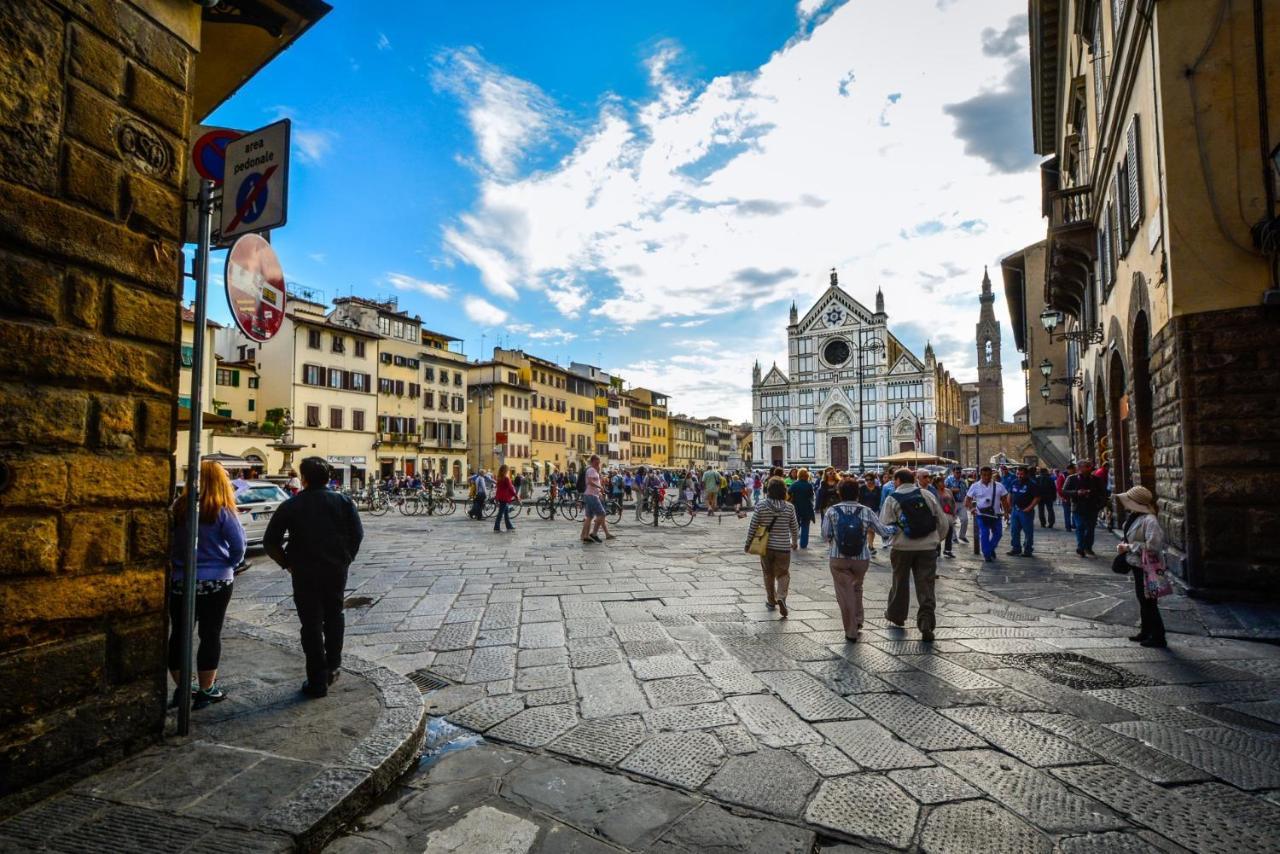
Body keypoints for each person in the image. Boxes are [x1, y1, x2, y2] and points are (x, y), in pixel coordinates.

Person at [263, 457, 364, 698]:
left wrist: (287, 563)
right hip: (335, 570)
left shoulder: (292, 505)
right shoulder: (343, 501)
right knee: (334, 616)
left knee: (310, 624)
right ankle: (333, 666)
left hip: (304, 571)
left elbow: (270, 542)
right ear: (328, 478)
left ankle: (317, 679)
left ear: (304, 479)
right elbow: (357, 534)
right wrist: (346, 558)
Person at [168, 460, 245, 710]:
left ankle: (182, 687)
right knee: (210, 634)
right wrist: (226, 566)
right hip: (216, 582)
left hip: (182, 581)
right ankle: (206, 689)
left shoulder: (179, 508)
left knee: (179, 633)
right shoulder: (221, 510)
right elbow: (238, 548)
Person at [822, 477, 896, 641]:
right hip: (861, 558)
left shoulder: (832, 511)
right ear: (857, 493)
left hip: (838, 558)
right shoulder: (866, 511)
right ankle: (858, 620)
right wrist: (897, 527)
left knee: (844, 592)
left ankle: (851, 630)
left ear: (839, 492)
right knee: (857, 587)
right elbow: (883, 531)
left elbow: (825, 535)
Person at [880, 468, 950, 642]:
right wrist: (935, 540)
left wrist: (895, 536)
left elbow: (884, 526)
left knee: (900, 582)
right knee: (926, 584)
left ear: (897, 481)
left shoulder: (892, 498)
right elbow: (943, 522)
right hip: (927, 548)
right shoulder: (927, 495)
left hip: (902, 548)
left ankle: (896, 616)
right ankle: (926, 622)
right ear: (913, 480)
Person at [1115, 485, 1167, 648]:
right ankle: (1146, 631)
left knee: (1149, 601)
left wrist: (1129, 547)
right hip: (1138, 565)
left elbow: (1154, 546)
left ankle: (1158, 637)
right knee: (1143, 599)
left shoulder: (1149, 520)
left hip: (1149, 567)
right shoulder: (1135, 516)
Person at [745, 478, 799, 617]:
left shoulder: (761, 506)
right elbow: (794, 526)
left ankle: (771, 600)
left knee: (768, 574)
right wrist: (794, 541)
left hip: (766, 546)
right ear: (784, 491)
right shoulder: (789, 507)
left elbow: (753, 526)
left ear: (768, 490)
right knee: (783, 574)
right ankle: (781, 596)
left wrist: (748, 543)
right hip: (783, 547)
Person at [965, 466, 1010, 562]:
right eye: (984, 475)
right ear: (981, 475)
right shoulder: (975, 486)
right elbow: (967, 500)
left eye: (988, 475)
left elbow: (1004, 500)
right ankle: (987, 555)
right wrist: (972, 508)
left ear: (991, 475)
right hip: (981, 515)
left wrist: (1006, 512)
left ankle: (990, 549)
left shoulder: (999, 486)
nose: (986, 477)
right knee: (984, 533)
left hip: (996, 514)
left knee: (998, 534)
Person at [1063, 459, 1103, 557]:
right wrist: (1077, 493)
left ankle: (1088, 547)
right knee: (1080, 526)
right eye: (1087, 466)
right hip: (1078, 507)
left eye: (1090, 466)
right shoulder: (1071, 478)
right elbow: (1064, 491)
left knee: (1090, 529)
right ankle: (1081, 547)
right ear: (1080, 468)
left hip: (1092, 507)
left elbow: (1103, 493)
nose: (1090, 468)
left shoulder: (1096, 479)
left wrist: (1100, 504)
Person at [1006, 466, 1040, 557]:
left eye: (1021, 474)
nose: (1019, 476)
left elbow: (1037, 497)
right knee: (1014, 530)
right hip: (1015, 510)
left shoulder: (1032, 484)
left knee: (1028, 531)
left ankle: (1028, 550)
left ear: (1026, 474)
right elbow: (1010, 494)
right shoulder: (1014, 482)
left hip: (1026, 511)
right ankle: (1016, 548)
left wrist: (1030, 507)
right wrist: (1009, 506)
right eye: (1017, 474)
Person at [580, 454, 613, 542]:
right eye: (597, 462)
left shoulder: (594, 470)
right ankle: (593, 534)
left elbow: (594, 481)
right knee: (602, 514)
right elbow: (590, 482)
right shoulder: (591, 470)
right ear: (593, 461)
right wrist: (600, 487)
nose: (598, 464)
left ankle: (585, 536)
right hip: (591, 495)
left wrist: (601, 484)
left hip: (591, 495)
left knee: (589, 517)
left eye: (599, 462)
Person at [788, 468, 817, 550]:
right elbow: (811, 496)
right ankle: (803, 544)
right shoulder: (809, 485)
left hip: (796, 507)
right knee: (805, 526)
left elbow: (788, 493)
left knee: (795, 526)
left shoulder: (794, 484)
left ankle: (794, 543)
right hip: (807, 508)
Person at [859, 473, 883, 554]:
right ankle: (864, 545)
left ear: (874, 480)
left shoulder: (878, 488)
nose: (869, 481)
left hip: (874, 511)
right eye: (867, 480)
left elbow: (880, 500)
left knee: (872, 530)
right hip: (864, 511)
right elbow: (859, 500)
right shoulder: (862, 488)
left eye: (870, 479)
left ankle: (871, 545)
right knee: (864, 529)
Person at [945, 466, 968, 543]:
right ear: (953, 472)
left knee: (965, 519)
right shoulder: (948, 480)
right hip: (952, 503)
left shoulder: (963, 480)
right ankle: (953, 537)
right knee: (951, 521)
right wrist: (953, 490)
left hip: (961, 503)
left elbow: (965, 491)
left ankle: (962, 536)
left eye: (960, 472)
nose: (959, 474)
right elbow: (943, 489)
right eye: (957, 472)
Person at [493, 464, 516, 533]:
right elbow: (510, 488)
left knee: (506, 513)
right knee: (500, 513)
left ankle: (509, 526)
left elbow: (498, 490)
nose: (508, 471)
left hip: (501, 497)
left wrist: (497, 498)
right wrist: (516, 496)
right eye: (507, 470)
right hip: (505, 498)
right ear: (505, 470)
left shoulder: (499, 478)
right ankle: (496, 527)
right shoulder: (506, 478)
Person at [1058, 464, 1075, 531]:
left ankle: (1074, 524)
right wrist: (1062, 497)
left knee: (1074, 511)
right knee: (1067, 512)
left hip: (1074, 496)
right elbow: (1059, 488)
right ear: (1070, 469)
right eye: (1074, 469)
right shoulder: (1062, 476)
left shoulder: (1074, 475)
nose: (1075, 470)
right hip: (1066, 497)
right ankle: (1068, 526)